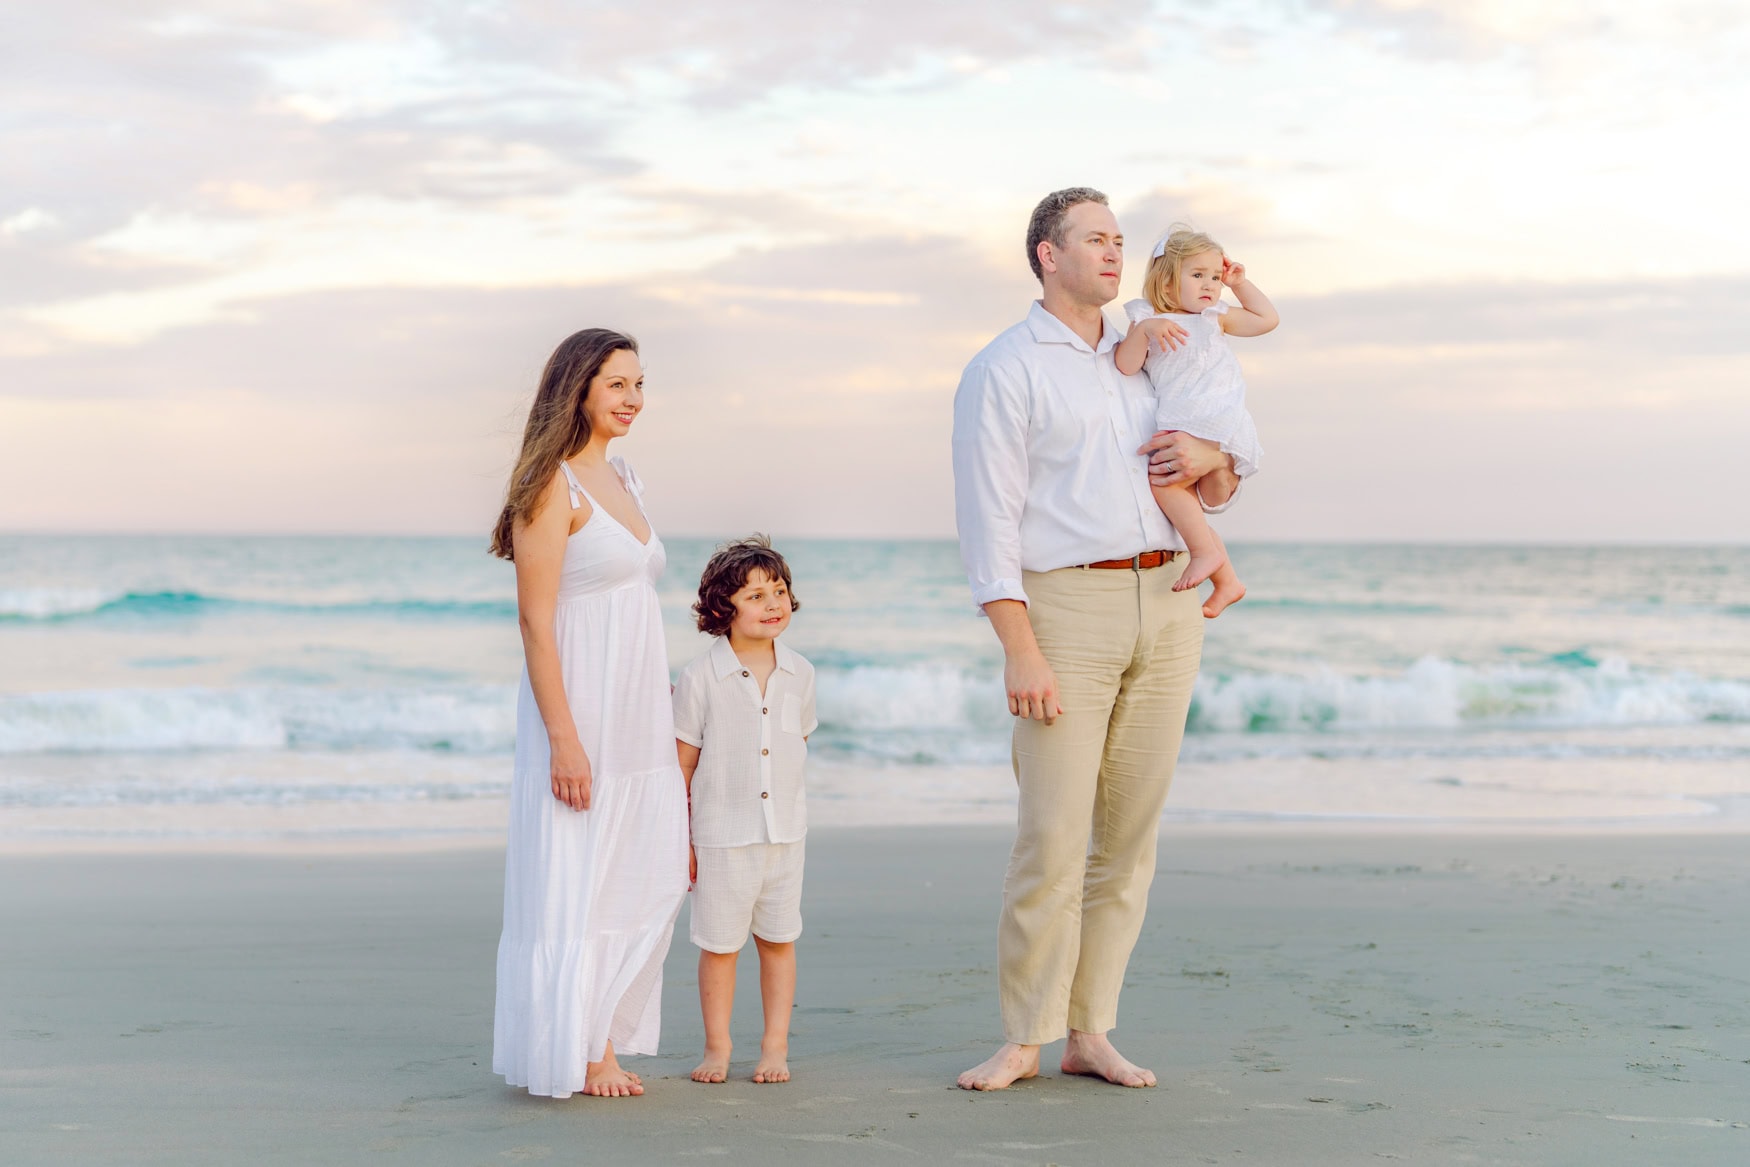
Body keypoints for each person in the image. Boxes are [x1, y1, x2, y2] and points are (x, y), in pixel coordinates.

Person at [950, 187, 1245, 1092]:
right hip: (1064, 609)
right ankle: (1024, 1036)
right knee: (1053, 831)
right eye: (1094, 239)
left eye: (1120, 239)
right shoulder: (1006, 368)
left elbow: (1215, 478)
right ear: (1048, 254)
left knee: (1130, 837)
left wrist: (1214, 463)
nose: (1115, 253)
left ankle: (1090, 1029)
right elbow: (988, 524)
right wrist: (1020, 645)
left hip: (1167, 596)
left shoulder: (1158, 342)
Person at [489, 328, 689, 1100]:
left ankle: (598, 1031)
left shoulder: (626, 475)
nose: (633, 399)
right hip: (579, 708)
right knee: (582, 867)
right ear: (576, 389)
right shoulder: (552, 485)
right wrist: (564, 740)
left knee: (647, 864)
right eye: (616, 384)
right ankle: (586, 1048)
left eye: (639, 384)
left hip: (636, 704)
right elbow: (537, 623)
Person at [672, 537, 816, 1086]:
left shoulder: (801, 673)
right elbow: (682, 765)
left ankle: (774, 1047)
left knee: (780, 941)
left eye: (778, 591)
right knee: (720, 946)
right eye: (756, 595)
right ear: (721, 609)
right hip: (721, 838)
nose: (773, 603)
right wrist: (681, 839)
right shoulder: (701, 677)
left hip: (785, 837)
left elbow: (797, 743)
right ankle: (718, 1047)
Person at [1116, 223, 1278, 618]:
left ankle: (1205, 554)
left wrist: (1241, 284)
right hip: (1186, 424)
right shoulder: (1146, 320)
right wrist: (1145, 331)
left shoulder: (1215, 318)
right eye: (1197, 275)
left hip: (1213, 418)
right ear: (1167, 284)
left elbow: (1266, 319)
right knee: (1182, 501)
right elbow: (1125, 364)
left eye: (1216, 278)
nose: (1210, 285)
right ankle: (1227, 582)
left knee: (1165, 488)